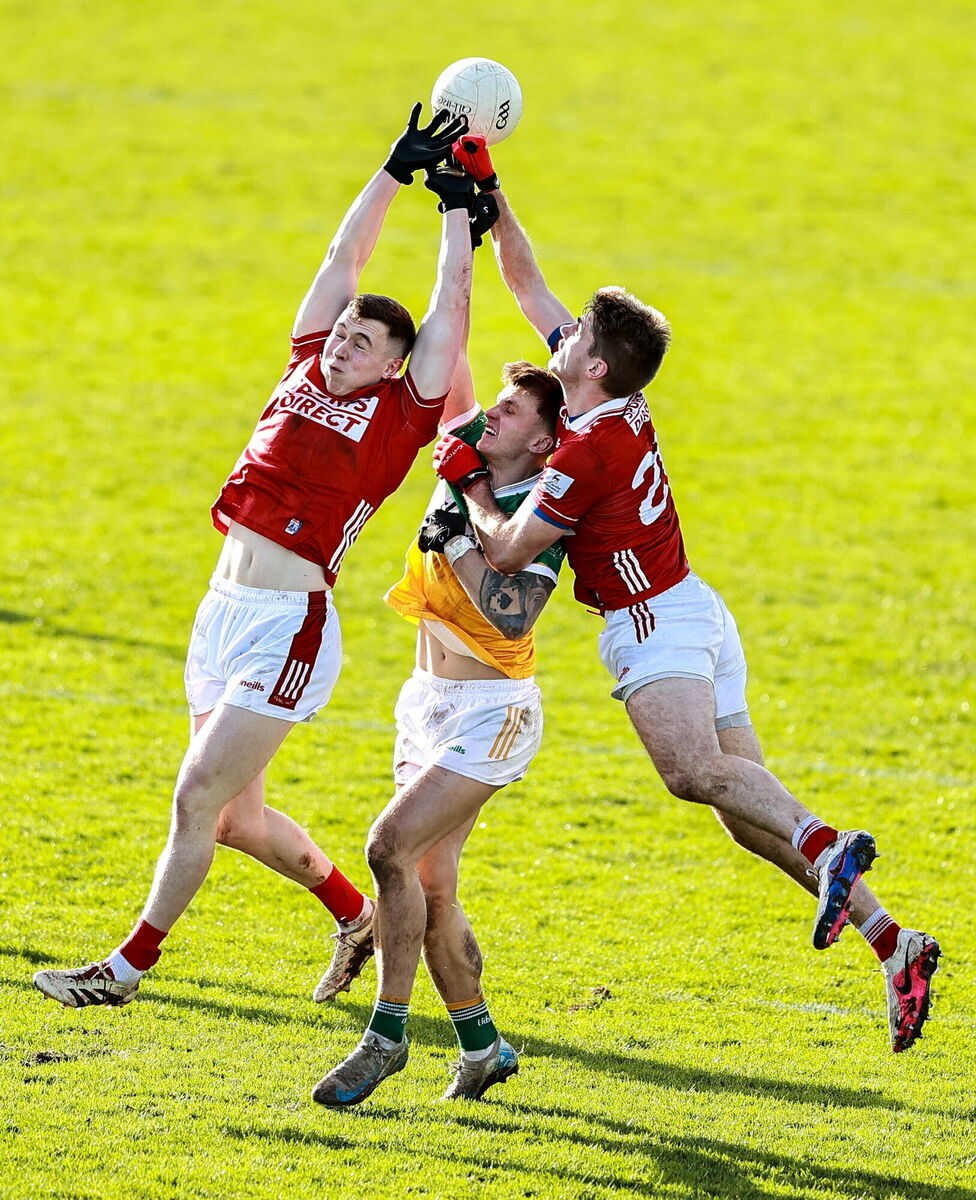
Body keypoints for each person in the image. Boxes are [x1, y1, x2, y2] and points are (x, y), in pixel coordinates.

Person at [430, 137, 940, 1054]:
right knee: (744, 819)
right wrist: (488, 190)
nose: (561, 334)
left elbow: (505, 551)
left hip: (653, 624)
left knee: (691, 775)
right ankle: (893, 942)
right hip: (696, 608)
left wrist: (466, 481)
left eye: (575, 336)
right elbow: (526, 276)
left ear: (592, 366)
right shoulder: (607, 401)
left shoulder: (586, 452)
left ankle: (827, 844)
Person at [32, 104, 477, 1011]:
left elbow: (451, 313)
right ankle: (355, 915)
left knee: (195, 795)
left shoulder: (400, 414)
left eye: (364, 343)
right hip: (221, 612)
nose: (343, 344)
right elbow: (341, 259)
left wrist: (457, 211)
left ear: (395, 365)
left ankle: (124, 970)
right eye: (343, 332)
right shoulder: (306, 362)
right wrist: (394, 170)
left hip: (288, 626)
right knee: (235, 819)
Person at [311, 327, 565, 1107]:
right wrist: (459, 247)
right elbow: (448, 347)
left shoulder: (541, 511)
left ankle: (386, 1036)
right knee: (431, 887)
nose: (492, 413)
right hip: (425, 701)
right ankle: (483, 1049)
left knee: (387, 847)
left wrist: (457, 540)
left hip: (492, 714)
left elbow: (515, 613)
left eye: (511, 410)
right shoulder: (464, 453)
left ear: (543, 441)